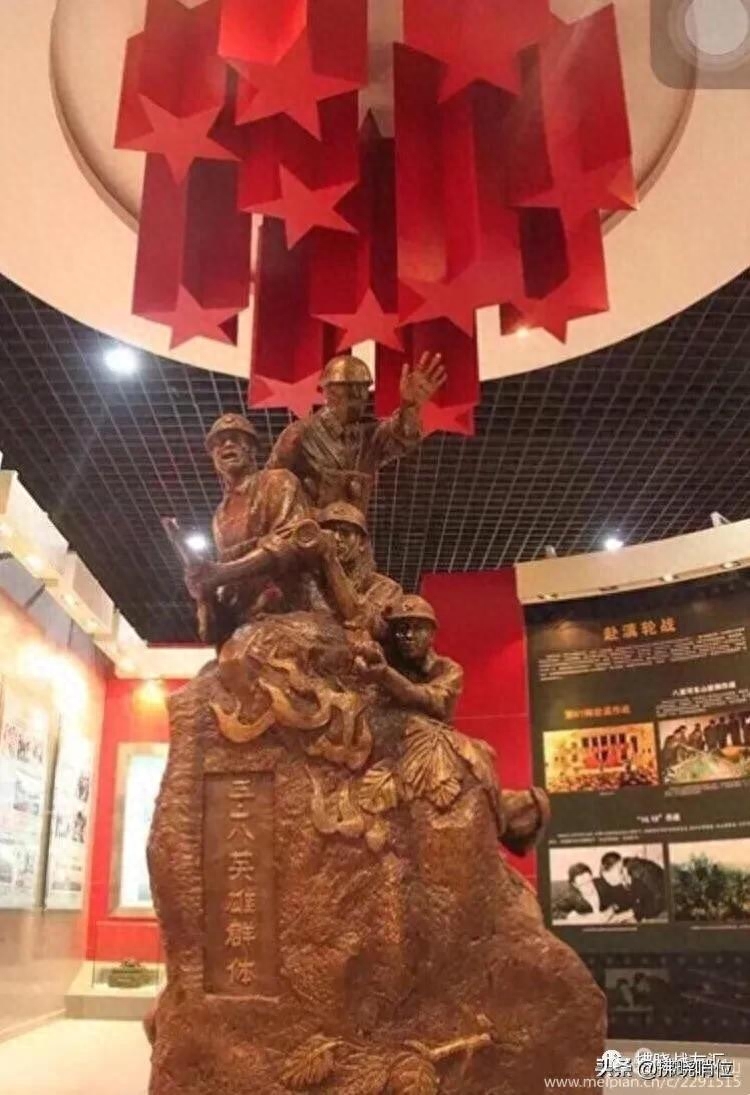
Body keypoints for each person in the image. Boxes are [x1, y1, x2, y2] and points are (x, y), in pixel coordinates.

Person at [182, 414, 321, 644]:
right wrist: (203, 591)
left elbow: (293, 543)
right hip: (245, 621)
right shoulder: (220, 516)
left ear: (252, 449)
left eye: (236, 439)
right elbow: (227, 589)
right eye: (219, 443)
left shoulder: (278, 482)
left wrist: (221, 573)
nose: (227, 445)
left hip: (288, 612)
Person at [266, 351, 446, 512]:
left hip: (354, 535)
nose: (360, 397)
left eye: (363, 390)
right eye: (351, 390)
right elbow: (269, 488)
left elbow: (401, 436)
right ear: (329, 392)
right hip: (308, 533)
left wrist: (410, 407)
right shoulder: (300, 435)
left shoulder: (368, 439)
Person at [354, 593, 463, 722]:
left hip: (430, 730)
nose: (409, 635)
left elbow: (428, 700)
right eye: (402, 629)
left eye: (418, 628)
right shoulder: (388, 660)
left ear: (432, 634)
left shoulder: (449, 670)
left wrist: (386, 674)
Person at [316, 502, 401, 635]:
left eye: (345, 533)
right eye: (329, 533)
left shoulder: (386, 588)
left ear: (362, 543)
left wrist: (331, 562)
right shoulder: (309, 582)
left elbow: (359, 619)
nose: (336, 538)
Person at [623, 856, 666, 921]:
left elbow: (649, 887)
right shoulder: (642, 864)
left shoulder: (636, 868)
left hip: (657, 903)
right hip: (662, 891)